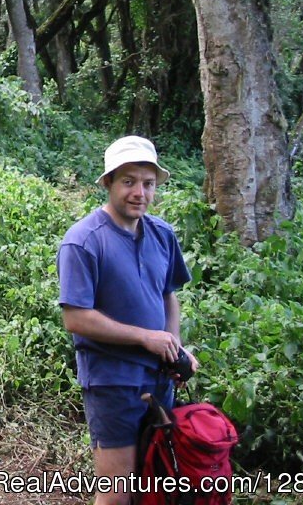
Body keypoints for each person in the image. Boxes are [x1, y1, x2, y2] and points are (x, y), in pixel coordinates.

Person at [57, 136, 198, 505]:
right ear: (108, 183)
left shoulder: (162, 234)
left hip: (159, 380)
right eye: (129, 182)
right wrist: (144, 338)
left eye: (148, 184)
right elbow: (76, 318)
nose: (139, 193)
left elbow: (169, 296)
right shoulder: (83, 241)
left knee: (156, 483)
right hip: (112, 383)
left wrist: (173, 346)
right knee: (117, 494)